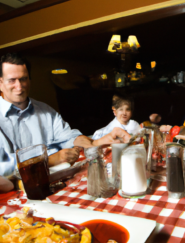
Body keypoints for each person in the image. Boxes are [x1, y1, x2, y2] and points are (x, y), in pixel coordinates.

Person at [0, 53, 130, 176]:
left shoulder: (46, 111)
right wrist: (49, 160)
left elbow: (68, 137)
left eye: (23, 79)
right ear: (0, 83)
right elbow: (3, 166)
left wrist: (97, 142)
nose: (19, 86)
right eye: (12, 80)